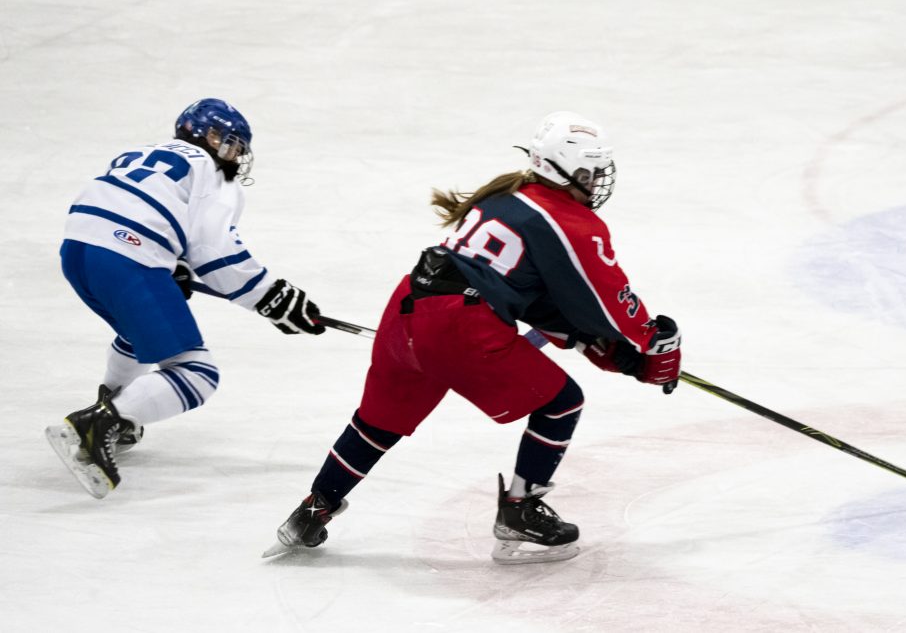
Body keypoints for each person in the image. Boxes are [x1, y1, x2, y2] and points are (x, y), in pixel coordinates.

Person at [264, 111, 681, 564]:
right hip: (460, 323)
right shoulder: (568, 220)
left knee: (377, 422)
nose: (598, 179)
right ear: (566, 169)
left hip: (409, 306)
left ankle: (312, 511)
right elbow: (604, 299)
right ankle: (520, 510)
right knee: (562, 402)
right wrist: (650, 340)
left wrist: (611, 353)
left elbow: (542, 300)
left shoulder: (509, 196)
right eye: (590, 169)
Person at [46, 98, 326, 499]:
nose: (233, 155)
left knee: (135, 334)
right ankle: (100, 423)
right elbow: (215, 251)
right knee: (197, 373)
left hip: (76, 249)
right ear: (209, 136)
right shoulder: (212, 173)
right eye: (230, 143)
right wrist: (271, 297)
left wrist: (173, 262)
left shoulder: (140, 152)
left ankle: (112, 401)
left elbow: (145, 213)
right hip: (129, 255)